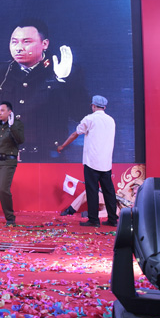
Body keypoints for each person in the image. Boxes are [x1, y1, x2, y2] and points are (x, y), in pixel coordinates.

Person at [0, 19, 85, 162]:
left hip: (47, 159)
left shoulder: (62, 70)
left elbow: (81, 114)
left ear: (45, 44)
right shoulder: (0, 72)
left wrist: (62, 81)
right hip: (4, 158)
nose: (18, 48)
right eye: (14, 42)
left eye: (26, 42)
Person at [57, 95, 118, 227]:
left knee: (92, 191)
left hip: (92, 162)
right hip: (106, 162)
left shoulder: (89, 119)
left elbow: (75, 134)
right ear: (104, 107)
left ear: (93, 106)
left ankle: (94, 220)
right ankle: (113, 219)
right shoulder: (111, 120)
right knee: (109, 192)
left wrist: (62, 146)